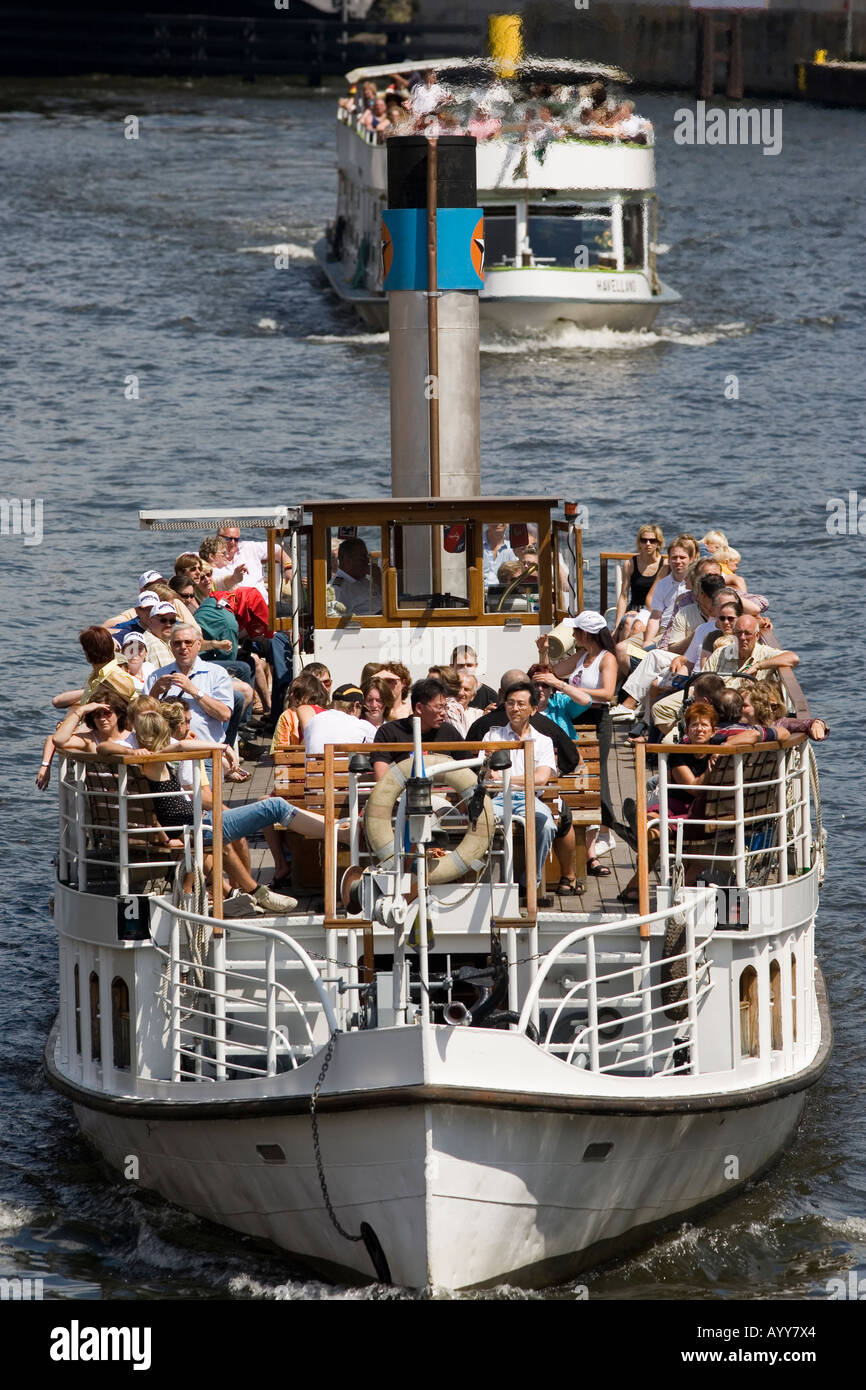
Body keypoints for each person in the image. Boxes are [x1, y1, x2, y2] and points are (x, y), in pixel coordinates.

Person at [482, 680, 557, 887]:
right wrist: (490, 768)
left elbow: (541, 779)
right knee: (479, 824)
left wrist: (505, 777)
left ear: (533, 709)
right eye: (510, 703)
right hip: (498, 797)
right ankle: (486, 882)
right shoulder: (492, 735)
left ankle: (530, 883)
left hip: (529, 798)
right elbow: (487, 774)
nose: (515, 708)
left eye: (521, 704)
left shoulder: (543, 741)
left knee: (546, 825)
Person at [146, 622, 234, 743]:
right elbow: (143, 718)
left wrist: (194, 691)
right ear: (171, 646)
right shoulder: (157, 676)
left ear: (198, 645)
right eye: (177, 643)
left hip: (207, 749)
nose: (183, 647)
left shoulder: (216, 673)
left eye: (188, 642)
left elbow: (224, 715)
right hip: (167, 750)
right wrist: (155, 692)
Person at [371, 677, 466, 778]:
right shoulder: (389, 732)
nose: (443, 713)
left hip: (443, 792)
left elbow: (468, 769)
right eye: (439, 707)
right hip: (403, 792)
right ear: (419, 708)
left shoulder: (449, 732)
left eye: (445, 707)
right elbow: (381, 777)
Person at [52, 626, 137, 710]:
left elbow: (130, 702)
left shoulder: (114, 677)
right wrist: (94, 690)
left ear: (87, 654)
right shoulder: (99, 675)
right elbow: (56, 701)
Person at [614, 524, 666, 641]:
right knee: (627, 622)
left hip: (654, 610)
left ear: (658, 543)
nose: (648, 544)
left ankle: (627, 655)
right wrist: (617, 625)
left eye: (652, 540)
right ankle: (623, 655)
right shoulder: (630, 564)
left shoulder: (664, 565)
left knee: (634, 625)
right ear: (639, 543)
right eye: (644, 540)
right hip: (634, 608)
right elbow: (623, 596)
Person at [303, 685, 377, 755]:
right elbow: (383, 748)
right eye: (361, 710)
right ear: (356, 705)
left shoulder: (313, 721)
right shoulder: (361, 725)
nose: (360, 715)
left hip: (314, 768)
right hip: (344, 768)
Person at [270, 672, 329, 752]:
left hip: (296, 762)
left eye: (296, 692)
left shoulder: (288, 715)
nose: (291, 695)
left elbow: (278, 752)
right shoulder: (327, 713)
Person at [331, 537, 382, 615]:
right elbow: (335, 620)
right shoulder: (339, 589)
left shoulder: (363, 579)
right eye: (363, 558)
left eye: (367, 557)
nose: (367, 561)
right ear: (347, 561)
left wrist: (379, 580)